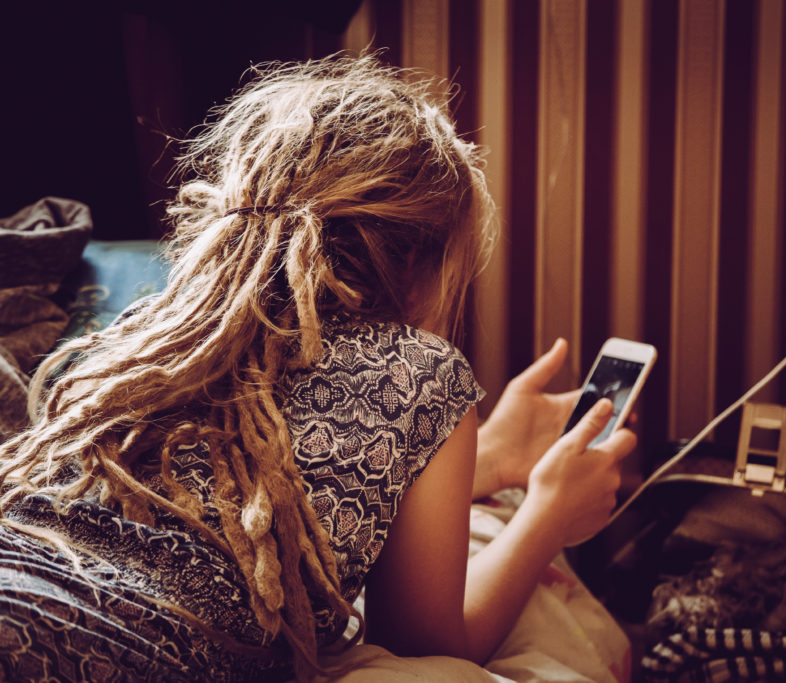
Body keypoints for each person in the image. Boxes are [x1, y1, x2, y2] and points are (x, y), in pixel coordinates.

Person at [0, 54, 636, 681]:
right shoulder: (420, 374)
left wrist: (487, 460)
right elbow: (426, 646)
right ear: (421, 261)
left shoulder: (150, 337)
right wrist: (546, 514)